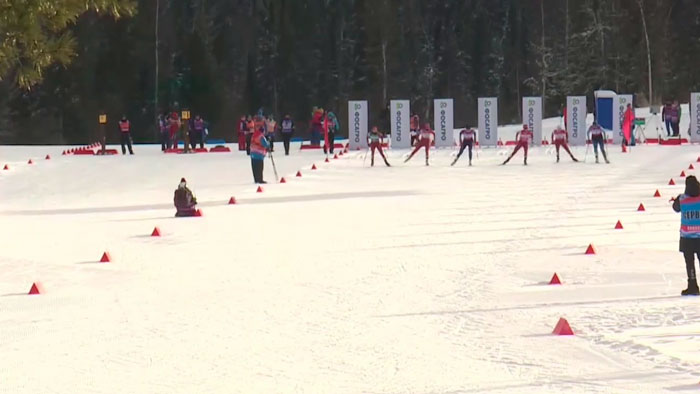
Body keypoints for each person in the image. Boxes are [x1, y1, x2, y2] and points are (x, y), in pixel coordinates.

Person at [672, 175, 700, 296]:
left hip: (687, 237)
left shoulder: (682, 199)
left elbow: (675, 208)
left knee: (690, 263)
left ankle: (692, 286)